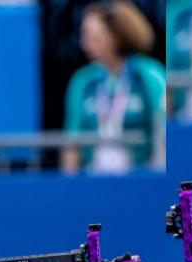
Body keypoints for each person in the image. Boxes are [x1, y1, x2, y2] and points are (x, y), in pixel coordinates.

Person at [62, 0, 166, 174]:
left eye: (94, 36)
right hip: (93, 178)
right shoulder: (82, 80)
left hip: (140, 177)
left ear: (116, 35)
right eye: (84, 36)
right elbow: (72, 143)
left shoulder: (149, 74)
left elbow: (163, 132)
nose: (85, 43)